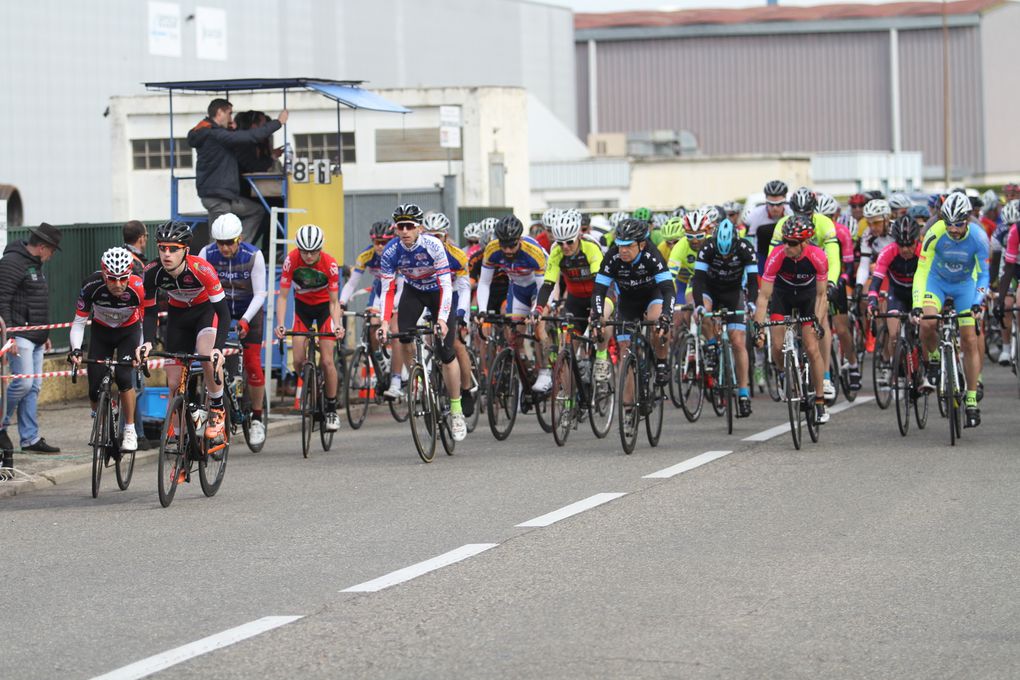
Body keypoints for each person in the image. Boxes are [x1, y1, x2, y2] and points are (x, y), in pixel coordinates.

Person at [135, 221, 232, 449]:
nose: (166, 254)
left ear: (185, 250)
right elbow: (149, 312)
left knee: (206, 355)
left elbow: (224, 314)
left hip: (205, 312)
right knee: (172, 383)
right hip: (178, 316)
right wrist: (147, 342)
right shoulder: (152, 272)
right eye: (162, 248)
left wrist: (218, 348)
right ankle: (178, 437)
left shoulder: (202, 269)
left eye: (173, 249)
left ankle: (217, 409)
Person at [377, 204, 466, 441]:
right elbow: (387, 290)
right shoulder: (390, 251)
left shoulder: (434, 245)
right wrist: (384, 323)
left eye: (410, 226)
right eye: (400, 226)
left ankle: (456, 410)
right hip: (414, 291)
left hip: (438, 293)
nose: (405, 231)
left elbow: (447, 285)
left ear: (420, 228)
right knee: (402, 335)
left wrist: (443, 319)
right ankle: (419, 377)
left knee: (446, 352)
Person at [912, 192, 989, 428]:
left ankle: (973, 399)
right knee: (927, 322)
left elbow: (984, 274)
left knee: (969, 339)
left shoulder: (978, 237)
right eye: (949, 224)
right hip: (937, 282)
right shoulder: (934, 234)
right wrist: (916, 304)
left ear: (967, 220)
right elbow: (922, 271)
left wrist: (978, 301)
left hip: (965, 286)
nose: (953, 229)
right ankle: (934, 360)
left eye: (958, 224)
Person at [198, 213, 269, 447]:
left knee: (252, 363)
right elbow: (200, 290)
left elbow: (260, 293)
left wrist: (246, 319)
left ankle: (257, 418)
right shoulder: (206, 254)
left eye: (229, 242)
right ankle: (214, 413)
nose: (225, 248)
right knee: (210, 359)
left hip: (249, 309)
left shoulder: (253, 255)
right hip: (219, 309)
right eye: (221, 243)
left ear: (240, 239)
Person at [753, 214, 830, 424]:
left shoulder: (818, 256)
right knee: (777, 347)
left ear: (805, 242)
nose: (787, 246)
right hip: (782, 296)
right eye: (785, 241)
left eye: (793, 243)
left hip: (808, 297)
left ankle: (820, 402)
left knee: (812, 347)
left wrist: (817, 320)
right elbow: (763, 296)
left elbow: (822, 295)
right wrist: (758, 326)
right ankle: (782, 372)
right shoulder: (777, 255)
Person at [68, 248, 146, 453]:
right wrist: (76, 350)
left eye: (122, 278)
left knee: (123, 376)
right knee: (93, 388)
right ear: (103, 274)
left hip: (128, 333)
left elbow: (145, 324)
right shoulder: (91, 285)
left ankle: (130, 429)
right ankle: (102, 423)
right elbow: (78, 322)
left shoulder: (139, 287)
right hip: (102, 333)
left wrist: (142, 351)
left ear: (130, 274)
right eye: (111, 279)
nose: (118, 285)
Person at [0, 222, 63, 463]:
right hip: (19, 335)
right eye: (53, 250)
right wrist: (9, 336)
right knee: (23, 385)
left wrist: (44, 334)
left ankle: (30, 439)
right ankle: (1, 424)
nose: (52, 255)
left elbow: (35, 300)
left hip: (35, 336)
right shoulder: (12, 263)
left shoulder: (33, 265)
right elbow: (2, 299)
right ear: (43, 247)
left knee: (33, 387)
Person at [273, 224, 345, 433]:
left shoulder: (330, 264)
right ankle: (311, 384)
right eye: (304, 251)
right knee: (296, 359)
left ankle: (331, 408)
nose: (309, 255)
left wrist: (337, 325)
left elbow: (334, 302)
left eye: (313, 251)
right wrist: (280, 324)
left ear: (320, 249)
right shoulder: (291, 260)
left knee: (327, 360)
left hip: (324, 309)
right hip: (302, 310)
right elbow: (284, 296)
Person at [188, 98, 288, 243]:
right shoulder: (214, 134)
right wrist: (278, 123)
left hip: (224, 195)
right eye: (229, 114)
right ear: (220, 112)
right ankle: (214, 262)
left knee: (257, 211)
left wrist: (231, 130)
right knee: (217, 240)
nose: (230, 118)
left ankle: (238, 248)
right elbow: (249, 137)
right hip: (217, 196)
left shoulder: (214, 133)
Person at [590, 218, 675, 387]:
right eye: (620, 245)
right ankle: (629, 408)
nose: (623, 250)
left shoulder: (652, 255)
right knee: (624, 350)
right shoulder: (612, 256)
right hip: (628, 301)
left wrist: (666, 315)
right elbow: (599, 290)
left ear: (641, 245)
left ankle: (661, 362)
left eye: (628, 245)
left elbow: (668, 290)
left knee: (657, 321)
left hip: (652, 295)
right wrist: (598, 315)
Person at [476, 215, 552, 392]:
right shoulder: (492, 250)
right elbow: (484, 282)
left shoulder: (532, 251)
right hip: (517, 288)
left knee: (539, 329)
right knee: (513, 336)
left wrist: (536, 311)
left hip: (540, 288)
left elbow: (543, 288)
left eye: (512, 245)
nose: (508, 250)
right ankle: (522, 370)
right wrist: (482, 310)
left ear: (519, 239)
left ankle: (546, 372)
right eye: (504, 245)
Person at [691, 218, 759, 417]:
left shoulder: (745, 248)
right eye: (722, 253)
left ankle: (744, 394)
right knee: (704, 314)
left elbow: (754, 282)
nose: (726, 256)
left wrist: (752, 303)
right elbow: (698, 281)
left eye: (729, 252)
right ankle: (712, 344)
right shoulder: (707, 247)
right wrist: (699, 307)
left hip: (733, 293)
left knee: (738, 341)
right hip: (710, 290)